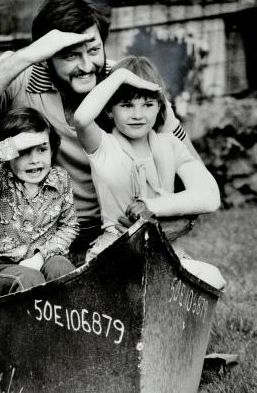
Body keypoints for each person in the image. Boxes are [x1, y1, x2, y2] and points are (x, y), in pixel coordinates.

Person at [0, 0, 199, 265]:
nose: (87, 66)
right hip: (30, 241)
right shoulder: (20, 78)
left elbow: (192, 170)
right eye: (70, 55)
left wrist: (155, 218)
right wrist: (28, 55)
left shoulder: (127, 86)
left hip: (114, 235)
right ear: (47, 55)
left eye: (94, 50)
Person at [74, 56, 225, 289]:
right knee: (123, 285)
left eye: (147, 104)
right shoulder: (103, 145)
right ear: (109, 111)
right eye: (126, 105)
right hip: (115, 248)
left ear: (159, 106)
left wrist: (152, 206)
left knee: (212, 277)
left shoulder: (169, 144)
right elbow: (82, 118)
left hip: (162, 248)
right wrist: (121, 76)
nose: (138, 115)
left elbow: (210, 195)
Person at [0, 107, 79, 297]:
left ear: (52, 149)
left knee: (62, 269)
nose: (34, 160)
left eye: (42, 150)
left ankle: (69, 324)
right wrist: (6, 148)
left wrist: (40, 257)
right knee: (29, 281)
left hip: (45, 258)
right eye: (24, 152)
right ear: (8, 156)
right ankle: (33, 327)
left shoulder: (60, 179)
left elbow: (69, 226)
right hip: (3, 268)